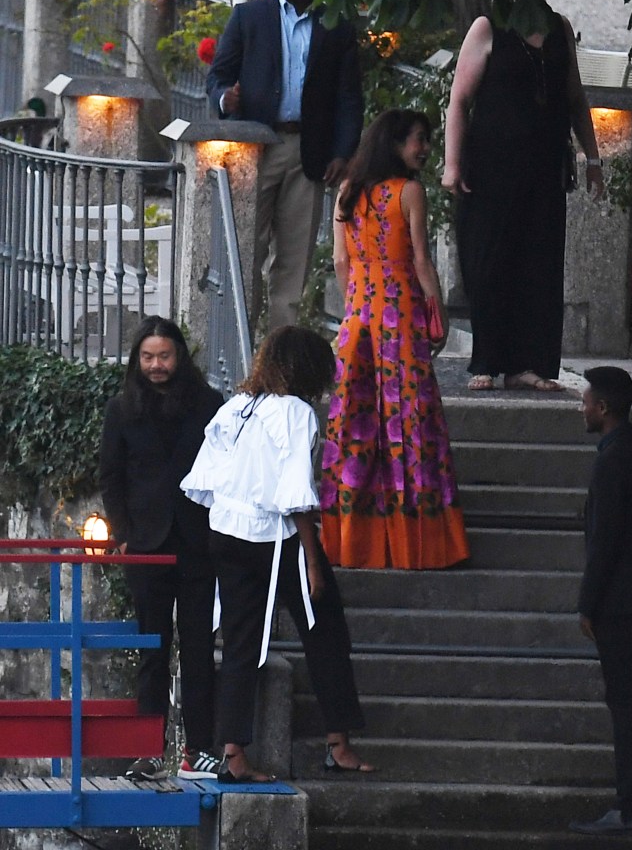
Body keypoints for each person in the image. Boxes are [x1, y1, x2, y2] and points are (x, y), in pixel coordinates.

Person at [181, 326, 373, 782]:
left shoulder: (237, 406)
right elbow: (295, 495)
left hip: (226, 530)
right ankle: (338, 744)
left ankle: (233, 755)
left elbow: (207, 475)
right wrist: (311, 561)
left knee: (242, 642)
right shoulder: (296, 413)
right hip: (274, 535)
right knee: (324, 627)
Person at [442, 0, 604, 392]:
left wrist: (593, 158)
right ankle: (488, 361)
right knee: (490, 260)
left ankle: (529, 363)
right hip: (492, 167)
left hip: (545, 167)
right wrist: (452, 164)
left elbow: (574, 96)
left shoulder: (559, 29)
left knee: (539, 262)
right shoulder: (487, 27)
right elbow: (459, 99)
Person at [320, 109, 469, 570]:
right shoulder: (409, 192)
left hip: (358, 318)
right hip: (401, 316)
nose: (424, 149)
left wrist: (357, 306)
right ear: (394, 143)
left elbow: (340, 263)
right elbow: (422, 261)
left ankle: (350, 540)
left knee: (356, 423)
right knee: (409, 421)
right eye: (418, 140)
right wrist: (437, 310)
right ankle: (417, 542)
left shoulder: (345, 190)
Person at [207, 0, 364, 334]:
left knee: (294, 262)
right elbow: (218, 77)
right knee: (247, 251)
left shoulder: (336, 27)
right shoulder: (249, 18)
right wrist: (226, 98)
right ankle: (241, 346)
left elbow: (349, 98)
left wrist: (343, 152)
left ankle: (279, 356)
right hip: (255, 146)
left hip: (306, 153)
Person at [99, 317, 223, 781]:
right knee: (153, 648)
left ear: (179, 357)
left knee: (198, 648)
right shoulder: (121, 409)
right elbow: (111, 477)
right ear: (137, 360)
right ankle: (148, 750)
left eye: (164, 356)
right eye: (147, 357)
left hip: (197, 543)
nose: (156, 365)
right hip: (145, 547)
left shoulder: (210, 405)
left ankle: (200, 748)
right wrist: (123, 533)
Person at [569, 366, 632, 835]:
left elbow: (606, 540)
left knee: (626, 705)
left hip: (620, 605)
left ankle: (629, 806)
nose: (583, 408)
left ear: (604, 408)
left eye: (587, 401)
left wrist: (586, 603)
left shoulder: (614, 459)